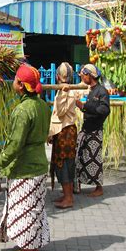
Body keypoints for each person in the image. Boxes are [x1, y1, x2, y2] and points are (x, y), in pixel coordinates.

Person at [0, 64, 51, 251]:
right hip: (39, 166)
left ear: (21, 85)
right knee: (35, 208)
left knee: (24, 210)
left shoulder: (22, 111)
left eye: (15, 79)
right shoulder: (43, 106)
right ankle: (33, 246)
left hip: (25, 169)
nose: (13, 82)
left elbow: (14, 146)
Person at [75, 64, 110, 197]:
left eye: (83, 75)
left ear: (90, 75)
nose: (82, 77)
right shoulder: (91, 90)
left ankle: (99, 188)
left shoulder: (101, 91)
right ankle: (77, 184)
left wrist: (85, 106)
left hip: (95, 131)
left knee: (94, 159)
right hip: (86, 129)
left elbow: (105, 110)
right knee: (80, 156)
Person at [48, 62, 78, 209]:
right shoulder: (64, 90)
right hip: (62, 131)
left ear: (58, 76)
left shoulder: (68, 92)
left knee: (65, 164)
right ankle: (67, 195)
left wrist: (64, 93)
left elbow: (60, 112)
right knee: (64, 164)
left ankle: (68, 198)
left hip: (66, 132)